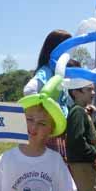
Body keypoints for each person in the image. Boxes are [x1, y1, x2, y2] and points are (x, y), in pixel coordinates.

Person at [23, 29, 73, 157]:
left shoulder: (59, 72)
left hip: (56, 133)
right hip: (48, 135)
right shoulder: (47, 71)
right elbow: (29, 90)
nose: (70, 52)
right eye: (67, 47)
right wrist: (45, 113)